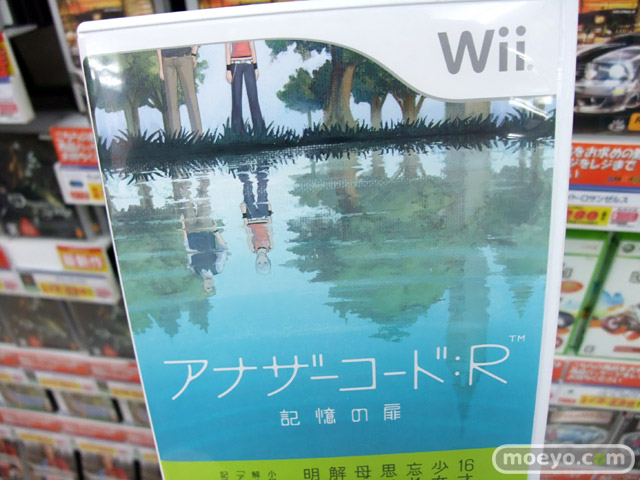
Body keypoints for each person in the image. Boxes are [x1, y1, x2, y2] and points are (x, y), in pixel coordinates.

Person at [175, 179, 228, 294]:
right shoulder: (218, 269)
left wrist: (183, 226)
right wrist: (216, 231)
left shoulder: (194, 270)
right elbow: (223, 248)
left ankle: (185, 184)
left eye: (208, 288)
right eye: (212, 287)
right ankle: (203, 184)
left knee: (187, 205)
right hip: (206, 230)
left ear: (202, 285)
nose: (210, 286)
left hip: (191, 231)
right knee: (204, 204)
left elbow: (188, 249)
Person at [157, 46, 203, 136]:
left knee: (191, 99)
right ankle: (176, 139)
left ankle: (198, 137)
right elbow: (158, 44)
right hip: (167, 60)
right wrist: (161, 67)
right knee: (171, 103)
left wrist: (193, 54)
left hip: (184, 57)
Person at [238, 162, 272, 274]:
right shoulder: (270, 246)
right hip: (263, 217)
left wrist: (243, 213)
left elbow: (248, 232)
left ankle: (243, 170)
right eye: (265, 262)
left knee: (248, 195)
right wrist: (270, 212)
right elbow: (270, 230)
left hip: (251, 219)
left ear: (256, 262)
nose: (261, 260)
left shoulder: (253, 248)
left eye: (259, 263)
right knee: (262, 192)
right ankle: (261, 170)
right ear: (268, 260)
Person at [226, 41, 265, 135]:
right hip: (235, 64)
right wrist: (228, 69)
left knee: (253, 98)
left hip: (249, 64)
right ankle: (237, 132)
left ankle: (260, 132)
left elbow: (252, 46)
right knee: (236, 99)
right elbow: (227, 48)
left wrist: (255, 67)